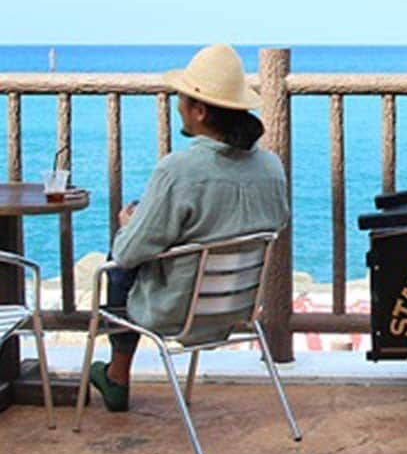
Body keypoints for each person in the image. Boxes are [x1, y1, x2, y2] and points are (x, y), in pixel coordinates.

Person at [88, 44, 289, 412]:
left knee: (116, 260)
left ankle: (117, 376)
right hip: (239, 306)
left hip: (177, 311)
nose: (177, 103)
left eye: (183, 97)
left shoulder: (178, 170)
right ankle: (115, 376)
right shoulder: (271, 167)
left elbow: (130, 252)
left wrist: (129, 224)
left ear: (199, 110)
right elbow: (275, 221)